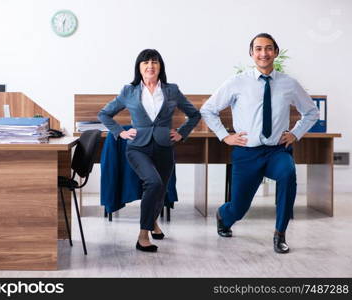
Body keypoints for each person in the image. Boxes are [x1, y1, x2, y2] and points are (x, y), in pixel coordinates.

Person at [200, 33, 319, 253]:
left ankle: (280, 234)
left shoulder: (289, 84)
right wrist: (224, 136)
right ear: (251, 53)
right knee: (239, 208)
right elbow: (208, 109)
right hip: (246, 153)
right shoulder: (236, 82)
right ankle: (223, 216)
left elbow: (312, 112)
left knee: (288, 173)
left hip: (276, 151)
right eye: (258, 49)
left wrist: (295, 133)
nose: (263, 53)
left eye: (268, 48)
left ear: (275, 52)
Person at [98, 49, 201, 252]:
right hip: (138, 148)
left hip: (164, 147)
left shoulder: (171, 90)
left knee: (160, 190)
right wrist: (120, 132)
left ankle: (153, 223)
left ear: (160, 66)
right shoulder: (130, 91)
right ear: (139, 67)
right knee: (152, 183)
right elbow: (104, 114)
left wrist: (182, 133)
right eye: (145, 62)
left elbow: (194, 114)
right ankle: (143, 235)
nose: (150, 66)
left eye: (154, 62)